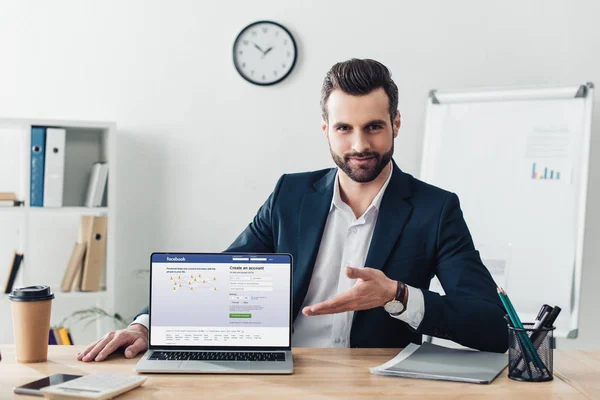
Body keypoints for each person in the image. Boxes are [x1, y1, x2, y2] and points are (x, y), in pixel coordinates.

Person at [78, 59, 508, 363]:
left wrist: (397, 296)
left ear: (396, 123)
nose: (359, 145)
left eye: (373, 126)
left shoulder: (436, 209)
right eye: (344, 128)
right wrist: (146, 326)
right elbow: (225, 273)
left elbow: (491, 326)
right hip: (286, 373)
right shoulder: (291, 195)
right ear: (326, 129)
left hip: (376, 383)